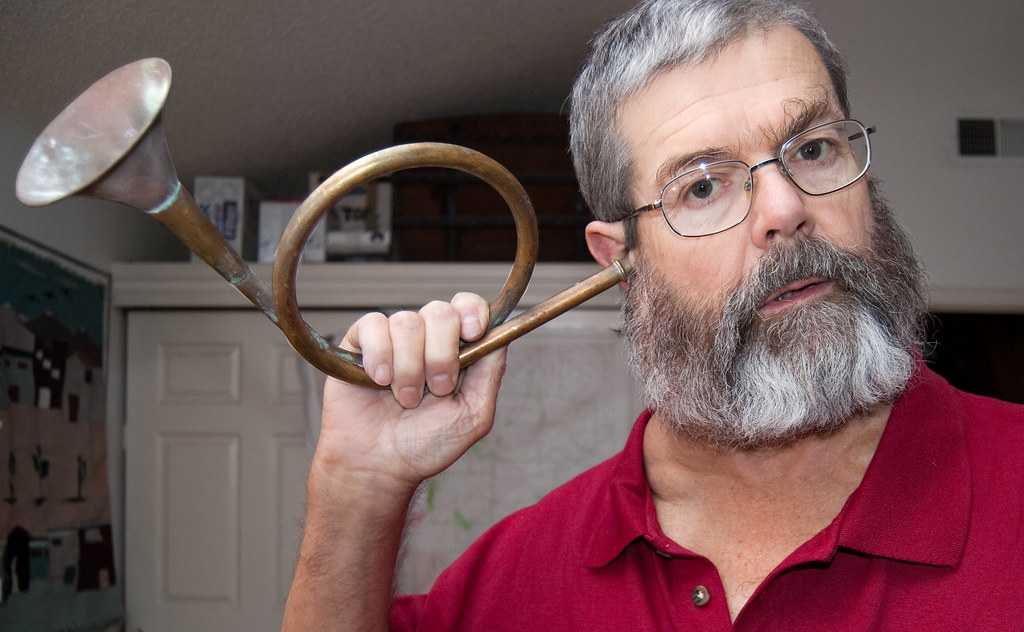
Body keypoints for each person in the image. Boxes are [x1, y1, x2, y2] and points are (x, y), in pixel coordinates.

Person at [283, 0, 1024, 629]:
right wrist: (358, 489)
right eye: (702, 187)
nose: (785, 208)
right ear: (620, 261)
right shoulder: (514, 582)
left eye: (814, 147)